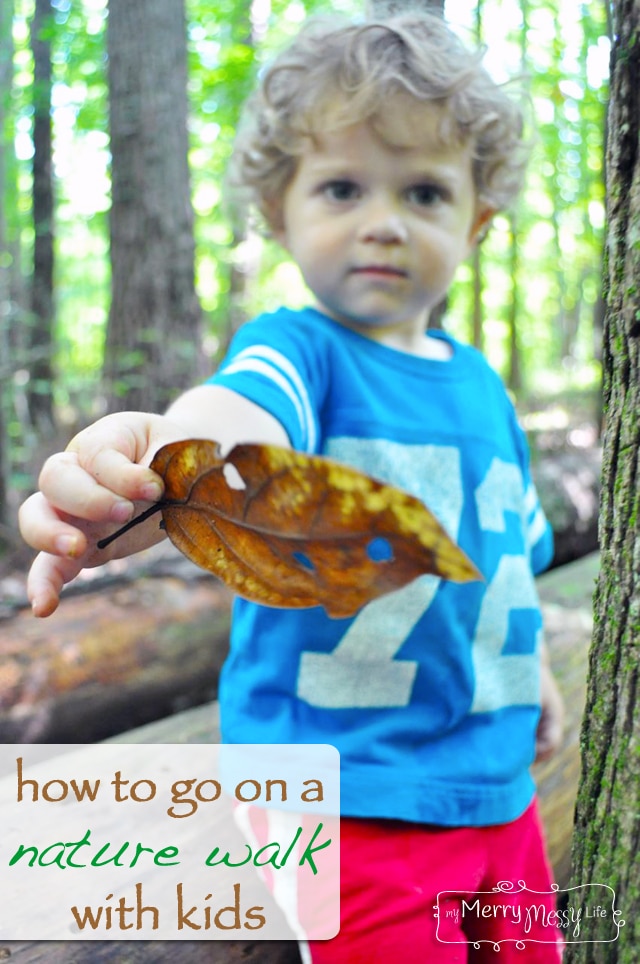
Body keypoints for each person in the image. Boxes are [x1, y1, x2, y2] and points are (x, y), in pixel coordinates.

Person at [19, 12, 565, 963]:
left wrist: (536, 678)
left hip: (500, 786)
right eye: (343, 186)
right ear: (282, 210)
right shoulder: (299, 351)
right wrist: (170, 462)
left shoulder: (482, 387)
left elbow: (505, 565)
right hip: (352, 795)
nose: (383, 220)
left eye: (426, 191)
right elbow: (239, 417)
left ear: (477, 219)